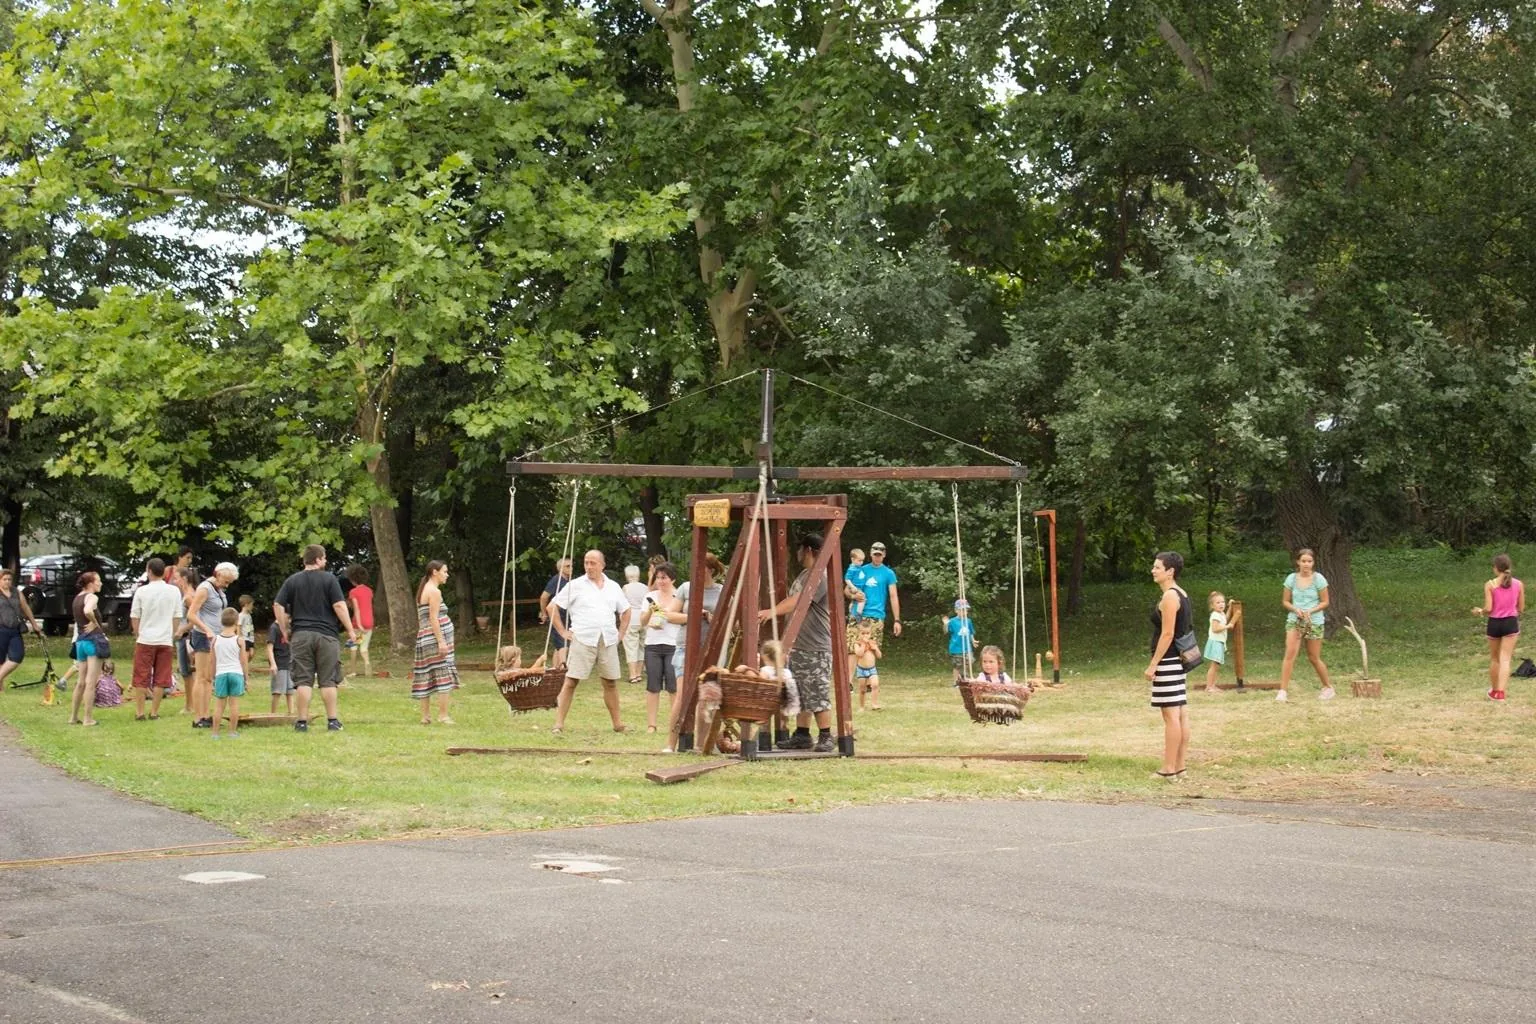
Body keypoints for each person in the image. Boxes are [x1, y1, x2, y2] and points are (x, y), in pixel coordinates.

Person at [760, 534, 836, 753]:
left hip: (816, 646)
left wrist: (772, 612)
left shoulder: (820, 576)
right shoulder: (805, 574)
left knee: (817, 690)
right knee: (801, 691)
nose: (797, 554)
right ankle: (802, 735)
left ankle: (826, 736)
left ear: (809, 550)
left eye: (800, 549)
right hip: (800, 646)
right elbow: (789, 600)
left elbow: (799, 601)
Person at [272, 544, 357, 733]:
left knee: (303, 680)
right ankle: (333, 721)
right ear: (318, 559)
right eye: (324, 558)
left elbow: (278, 605)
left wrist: (284, 629)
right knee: (328, 679)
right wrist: (351, 630)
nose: (325, 561)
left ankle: (301, 722)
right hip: (327, 635)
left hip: (301, 635)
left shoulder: (292, 581)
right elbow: (339, 606)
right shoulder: (329, 579)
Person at [550, 550, 632, 734]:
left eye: (593, 563)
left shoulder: (613, 586)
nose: (588, 566)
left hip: (608, 639)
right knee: (571, 680)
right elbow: (552, 607)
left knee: (610, 682)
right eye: (586, 562)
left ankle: (618, 724)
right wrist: (563, 631)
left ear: (602, 565)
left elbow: (626, 611)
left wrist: (621, 634)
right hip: (583, 638)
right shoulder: (576, 585)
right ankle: (558, 723)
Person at [1145, 551, 1191, 779]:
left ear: (1170, 571)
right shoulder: (1180, 594)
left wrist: (1154, 664)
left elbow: (1168, 634)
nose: (1153, 571)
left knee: (1171, 717)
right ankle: (1180, 766)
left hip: (1169, 661)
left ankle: (1169, 769)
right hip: (1177, 662)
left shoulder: (1170, 597)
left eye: (1157, 567)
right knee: (1181, 714)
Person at [185, 561, 239, 729]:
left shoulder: (219, 590)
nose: (227, 585)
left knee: (209, 678)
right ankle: (197, 717)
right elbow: (191, 614)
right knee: (201, 677)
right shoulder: (204, 588)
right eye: (226, 581)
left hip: (215, 637)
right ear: (218, 574)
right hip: (202, 636)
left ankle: (206, 715)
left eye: (230, 582)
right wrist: (207, 629)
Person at [129, 557, 182, 720]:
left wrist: (138, 633)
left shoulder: (142, 591)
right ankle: (154, 712)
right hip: (164, 639)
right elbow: (177, 616)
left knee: (141, 676)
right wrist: (171, 633)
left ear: (149, 571)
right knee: (161, 677)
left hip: (146, 639)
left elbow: (135, 615)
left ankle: (139, 712)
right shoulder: (174, 591)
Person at [1277, 548, 1333, 702]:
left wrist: (1310, 611)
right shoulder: (1291, 579)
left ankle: (1328, 687)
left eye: (1309, 561)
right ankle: (1282, 691)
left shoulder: (1319, 579)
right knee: (1290, 654)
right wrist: (1296, 609)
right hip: (1295, 621)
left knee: (1313, 657)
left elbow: (1325, 602)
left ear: (1313, 563)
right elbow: (1285, 601)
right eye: (1303, 561)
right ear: (1298, 562)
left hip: (1314, 622)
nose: (1306, 564)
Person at [411, 560, 459, 724]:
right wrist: (441, 642)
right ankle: (443, 715)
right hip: (434, 638)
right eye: (444, 571)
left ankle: (425, 716)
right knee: (442, 674)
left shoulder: (423, 589)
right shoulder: (434, 592)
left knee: (426, 674)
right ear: (434, 572)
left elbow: (422, 618)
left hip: (424, 636)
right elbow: (433, 618)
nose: (447, 574)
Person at [1474, 553, 1524, 702]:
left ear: (1496, 568)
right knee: (1506, 659)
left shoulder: (1490, 585)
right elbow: (1521, 607)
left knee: (1495, 659)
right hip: (1510, 622)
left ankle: (1494, 690)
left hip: (1494, 623)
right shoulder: (1518, 584)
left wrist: (1480, 611)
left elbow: (1489, 608)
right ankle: (1501, 693)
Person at [641, 561, 683, 733]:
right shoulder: (650, 597)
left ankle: (674, 724)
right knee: (653, 686)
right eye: (658, 578)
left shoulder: (679, 596)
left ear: (672, 579)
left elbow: (685, 618)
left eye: (664, 578)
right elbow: (642, 622)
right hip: (652, 645)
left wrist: (667, 615)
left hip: (673, 644)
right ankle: (652, 724)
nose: (660, 581)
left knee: (673, 687)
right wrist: (652, 611)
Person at [671, 552, 726, 682]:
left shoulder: (722, 591)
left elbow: (733, 625)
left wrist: (713, 620)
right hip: (685, 646)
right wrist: (694, 616)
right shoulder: (685, 587)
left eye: (701, 567)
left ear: (711, 570)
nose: (696, 571)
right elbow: (669, 615)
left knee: (709, 695)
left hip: (712, 648)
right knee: (683, 695)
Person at [67, 571, 107, 727]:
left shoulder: (77, 598)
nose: (101, 583)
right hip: (93, 642)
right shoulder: (92, 597)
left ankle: (73, 717)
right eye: (98, 580)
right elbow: (88, 611)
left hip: (80, 642)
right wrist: (96, 622)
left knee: (80, 682)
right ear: (90, 583)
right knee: (91, 682)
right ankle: (88, 718)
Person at [0, 567, 43, 693]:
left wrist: (34, 624)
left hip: (15, 629)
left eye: (9, 579)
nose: (7, 582)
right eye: (4, 579)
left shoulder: (16, 592)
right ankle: (0, 689)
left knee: (17, 656)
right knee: (0, 660)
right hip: (1, 628)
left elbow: (25, 608)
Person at [209, 607, 248, 737]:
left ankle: (215, 732)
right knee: (234, 704)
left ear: (221, 621)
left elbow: (212, 661)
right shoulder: (239, 640)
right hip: (236, 673)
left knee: (219, 705)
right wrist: (246, 678)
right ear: (237, 621)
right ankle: (232, 731)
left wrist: (212, 677)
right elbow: (243, 661)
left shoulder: (215, 640)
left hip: (221, 673)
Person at [538, 557, 574, 669]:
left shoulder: (568, 581)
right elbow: (544, 597)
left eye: (571, 565)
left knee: (559, 645)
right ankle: (562, 668)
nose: (571, 568)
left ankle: (554, 669)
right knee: (564, 643)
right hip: (557, 616)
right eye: (568, 566)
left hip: (566, 616)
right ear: (560, 568)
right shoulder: (556, 580)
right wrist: (544, 613)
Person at [345, 565, 375, 678]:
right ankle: (367, 664)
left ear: (353, 579)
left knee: (353, 646)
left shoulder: (353, 592)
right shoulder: (369, 591)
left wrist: (359, 625)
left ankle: (353, 671)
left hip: (358, 624)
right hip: (370, 622)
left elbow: (357, 610)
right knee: (364, 647)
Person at [621, 565, 648, 685]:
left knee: (631, 647)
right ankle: (639, 673)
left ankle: (632, 675)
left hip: (631, 618)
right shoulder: (645, 587)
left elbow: (622, 605)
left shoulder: (626, 588)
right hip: (643, 618)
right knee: (642, 646)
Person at [944, 598, 976, 682]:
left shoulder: (968, 621)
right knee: (957, 666)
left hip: (967, 648)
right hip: (956, 648)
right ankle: (956, 682)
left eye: (966, 610)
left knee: (970, 662)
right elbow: (946, 631)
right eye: (962, 610)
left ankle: (966, 678)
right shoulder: (952, 621)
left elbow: (971, 632)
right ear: (956, 610)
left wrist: (973, 641)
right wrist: (945, 624)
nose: (964, 612)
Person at [1203, 591, 1229, 695]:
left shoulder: (1221, 614)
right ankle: (1209, 687)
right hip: (1215, 642)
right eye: (1218, 602)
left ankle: (1213, 685)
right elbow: (1215, 628)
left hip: (1220, 642)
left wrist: (1230, 607)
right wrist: (1228, 626)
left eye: (1223, 602)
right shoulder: (1215, 615)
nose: (1221, 604)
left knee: (1216, 665)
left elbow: (1226, 619)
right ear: (1212, 605)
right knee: (1213, 666)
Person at [852, 623, 883, 710]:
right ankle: (861, 706)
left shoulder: (873, 643)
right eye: (863, 633)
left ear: (870, 634)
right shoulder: (857, 644)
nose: (865, 635)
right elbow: (859, 654)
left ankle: (874, 704)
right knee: (862, 689)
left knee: (875, 685)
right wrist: (863, 645)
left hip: (872, 669)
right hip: (861, 670)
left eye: (867, 633)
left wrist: (876, 649)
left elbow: (879, 656)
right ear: (858, 634)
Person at [268, 618, 294, 715]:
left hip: (289, 663)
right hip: (279, 663)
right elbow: (269, 648)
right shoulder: (274, 628)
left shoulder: (288, 627)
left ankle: (291, 714)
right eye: (288, 617)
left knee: (290, 691)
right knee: (277, 691)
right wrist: (273, 664)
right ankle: (273, 714)